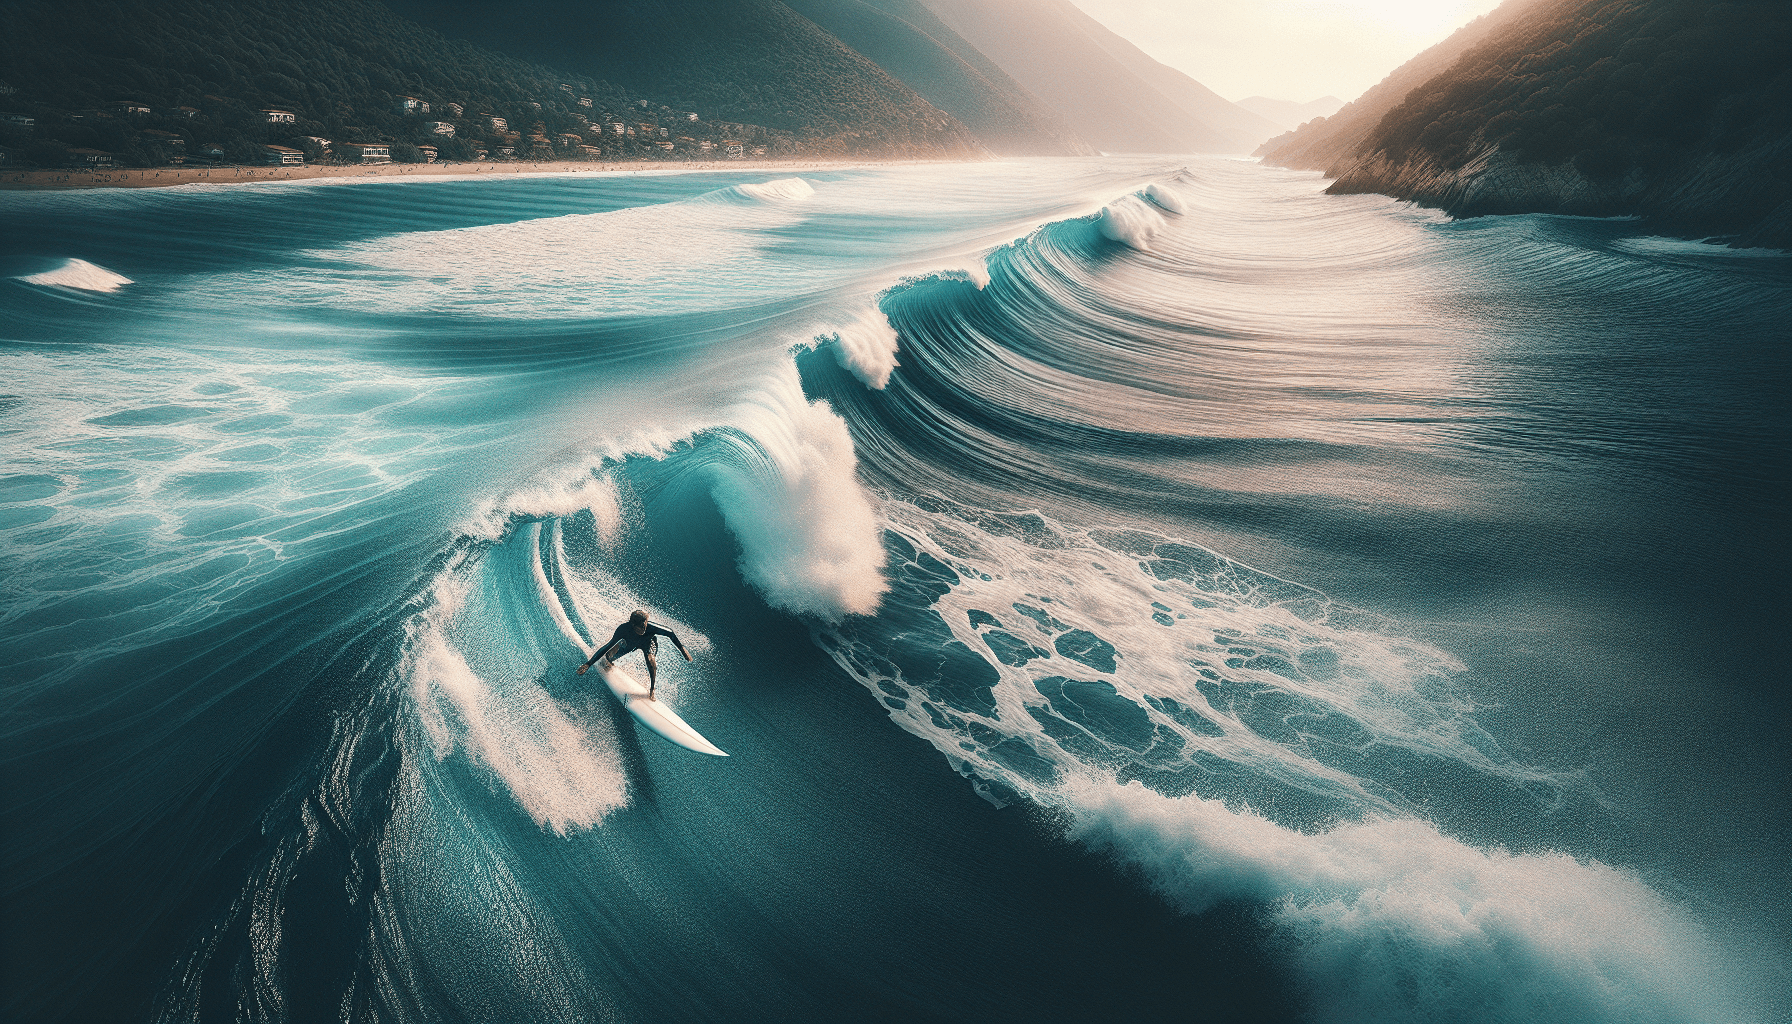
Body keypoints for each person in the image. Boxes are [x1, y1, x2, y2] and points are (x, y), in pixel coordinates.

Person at [576, 609, 691, 700]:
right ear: (632, 624)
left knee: (651, 661)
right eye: (640, 627)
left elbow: (670, 633)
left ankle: (652, 689)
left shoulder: (651, 627)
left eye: (644, 626)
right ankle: (609, 661)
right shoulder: (623, 629)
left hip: (648, 643)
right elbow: (607, 646)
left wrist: (682, 649)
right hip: (630, 643)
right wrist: (588, 664)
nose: (643, 629)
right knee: (608, 657)